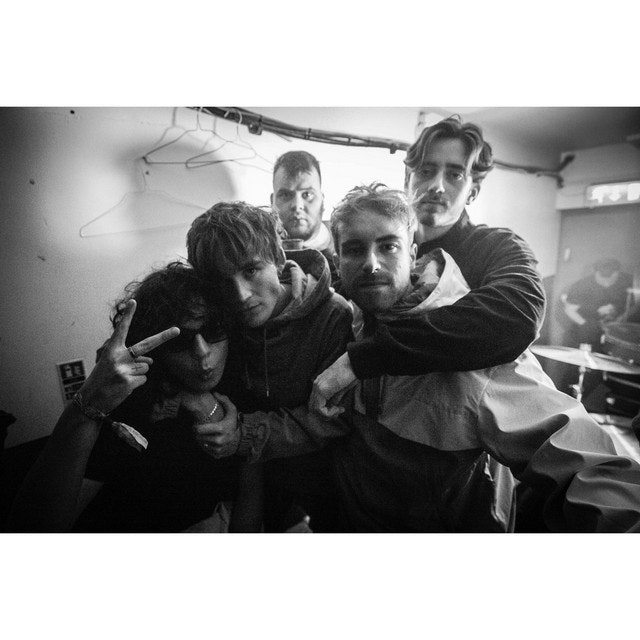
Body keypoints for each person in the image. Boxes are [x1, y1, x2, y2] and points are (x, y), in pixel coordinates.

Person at [200, 183, 640, 532]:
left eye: (388, 246)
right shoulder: (353, 323)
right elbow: (329, 421)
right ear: (338, 259)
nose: (371, 263)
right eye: (354, 249)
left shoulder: (470, 354)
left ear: (412, 254)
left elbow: (588, 463)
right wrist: (241, 433)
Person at [309, 115, 546, 415]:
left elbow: (518, 314)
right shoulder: (367, 247)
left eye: (455, 174)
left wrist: (364, 358)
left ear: (473, 191)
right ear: (408, 179)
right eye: (426, 171)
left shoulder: (497, 246)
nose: (436, 185)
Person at [6, 262, 244, 533]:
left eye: (213, 330)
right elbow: (35, 527)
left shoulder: (244, 379)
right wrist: (87, 403)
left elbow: (250, 492)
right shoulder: (131, 409)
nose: (202, 352)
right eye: (179, 341)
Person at [186, 201, 353, 531]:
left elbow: (332, 419)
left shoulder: (333, 315)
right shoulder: (224, 314)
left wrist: (244, 434)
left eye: (250, 271)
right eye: (223, 281)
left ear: (277, 257)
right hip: (257, 474)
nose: (240, 295)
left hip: (325, 477)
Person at [271, 150, 339, 283]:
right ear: (272, 201)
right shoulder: (259, 254)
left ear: (322, 199)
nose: (297, 205)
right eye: (285, 195)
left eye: (307, 194)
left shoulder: (346, 244)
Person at [561, 257, 632, 352]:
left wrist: (616, 311)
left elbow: (632, 304)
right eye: (603, 279)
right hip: (587, 330)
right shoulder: (581, 285)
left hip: (615, 331)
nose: (606, 283)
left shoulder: (627, 282)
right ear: (596, 273)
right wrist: (586, 325)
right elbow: (569, 310)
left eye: (611, 279)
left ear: (617, 273)